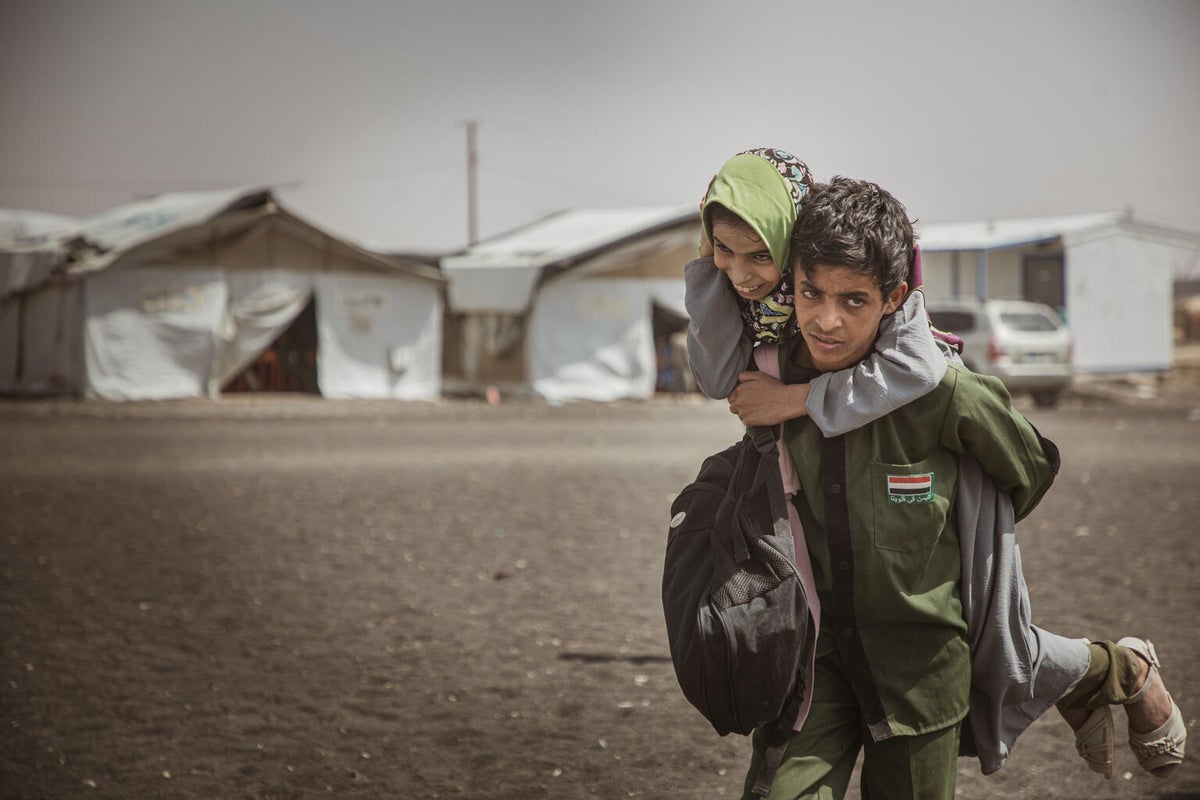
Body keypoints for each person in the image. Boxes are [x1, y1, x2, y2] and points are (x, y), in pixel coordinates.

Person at [727, 176, 1186, 799]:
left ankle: (1118, 669)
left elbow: (1029, 467)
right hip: (813, 664)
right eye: (811, 292)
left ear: (893, 298)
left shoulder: (945, 392)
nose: (826, 320)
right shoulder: (773, 377)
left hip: (920, 671)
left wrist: (953, 525)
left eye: (853, 301)